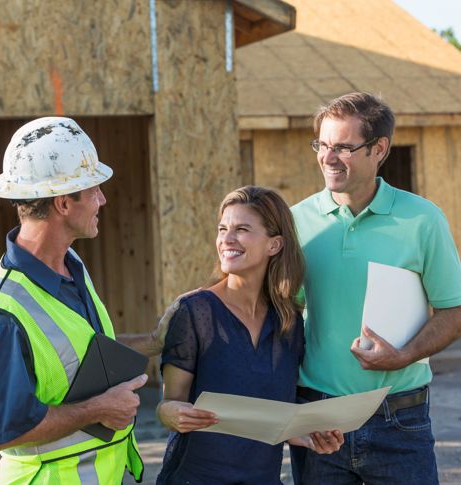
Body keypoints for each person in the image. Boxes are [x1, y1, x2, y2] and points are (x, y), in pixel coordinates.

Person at [0, 117, 165, 484]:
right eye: (93, 190)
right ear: (63, 203)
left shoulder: (71, 266)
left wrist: (154, 342)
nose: (102, 200)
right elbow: (5, 430)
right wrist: (99, 410)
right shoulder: (2, 315)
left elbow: (84, 353)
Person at [290, 92, 461, 484]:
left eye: (344, 148)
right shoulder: (295, 221)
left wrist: (404, 355)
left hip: (399, 417)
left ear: (379, 149)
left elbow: (454, 310)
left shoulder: (422, 220)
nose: (328, 158)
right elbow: (280, 311)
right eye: (323, 145)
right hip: (320, 418)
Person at [156, 186, 344, 485]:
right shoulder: (195, 312)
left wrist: (305, 430)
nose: (226, 239)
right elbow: (168, 404)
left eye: (241, 229)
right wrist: (171, 413)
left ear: (275, 245)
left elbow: (272, 408)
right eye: (222, 229)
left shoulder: (289, 321)